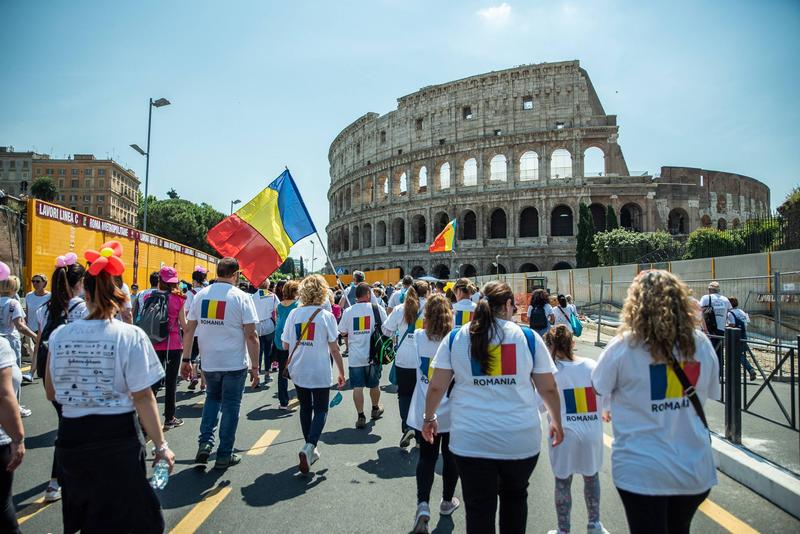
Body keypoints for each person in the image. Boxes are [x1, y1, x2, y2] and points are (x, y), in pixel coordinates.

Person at [44, 242, 175, 533]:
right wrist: (161, 445)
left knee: (87, 520)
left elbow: (51, 393)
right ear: (120, 294)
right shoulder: (130, 336)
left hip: (71, 437)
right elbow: (143, 397)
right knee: (136, 521)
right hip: (117, 437)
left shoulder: (60, 336)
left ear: (85, 292)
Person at [423, 281, 563, 534]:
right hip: (519, 439)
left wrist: (429, 417)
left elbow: (436, 387)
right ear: (509, 305)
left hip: (470, 439)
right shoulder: (528, 337)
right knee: (515, 498)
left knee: (478, 508)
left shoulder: (457, 336)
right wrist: (557, 422)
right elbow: (548, 389)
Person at [592, 270, 719, 534]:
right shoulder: (701, 345)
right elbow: (708, 392)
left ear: (634, 304)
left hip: (641, 469)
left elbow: (598, 388)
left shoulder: (622, 347)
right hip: (693, 468)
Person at [181, 257, 260, 470]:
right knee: (231, 407)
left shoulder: (201, 296)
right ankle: (225, 453)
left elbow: (189, 329)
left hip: (209, 363)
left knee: (212, 400)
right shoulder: (241, 297)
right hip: (234, 363)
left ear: (218, 272)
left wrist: (186, 359)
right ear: (235, 275)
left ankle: (205, 444)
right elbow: (252, 336)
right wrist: (255, 367)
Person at [32, 254, 88, 504]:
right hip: (73, 371)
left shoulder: (46, 307)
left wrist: (35, 368)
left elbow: (39, 338)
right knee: (70, 424)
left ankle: (68, 473)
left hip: (49, 369)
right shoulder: (83, 307)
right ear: (79, 282)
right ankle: (56, 482)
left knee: (69, 420)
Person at [543, 326, 607, 534]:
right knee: (592, 477)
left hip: (563, 433)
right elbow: (605, 399)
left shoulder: (550, 373)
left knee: (562, 482)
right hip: (592, 432)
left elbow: (538, 403)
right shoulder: (591, 366)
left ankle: (564, 530)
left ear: (550, 346)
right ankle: (594, 524)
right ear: (573, 343)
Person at [281, 275, 345, 473]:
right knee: (321, 409)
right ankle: (310, 446)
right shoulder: (327, 317)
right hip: (319, 369)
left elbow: (285, 344)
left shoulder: (293, 314)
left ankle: (310, 447)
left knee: (305, 408)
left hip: (299, 369)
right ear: (323, 292)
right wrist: (342, 372)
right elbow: (335, 349)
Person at [407, 294, 460, 533]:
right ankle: (447, 502)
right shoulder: (457, 340)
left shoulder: (418, 337)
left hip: (426, 408)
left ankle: (422, 504)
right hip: (452, 410)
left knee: (426, 458)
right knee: (450, 458)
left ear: (426, 316)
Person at [384, 280, 429, 448]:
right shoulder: (432, 308)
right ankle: (419, 437)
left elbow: (386, 329)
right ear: (427, 292)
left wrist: (396, 332)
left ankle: (407, 426)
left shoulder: (400, 309)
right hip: (426, 359)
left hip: (404, 359)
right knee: (422, 397)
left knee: (404, 395)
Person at [340, 283, 387, 429]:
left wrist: (351, 333)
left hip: (355, 356)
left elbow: (341, 331)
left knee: (357, 388)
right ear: (367, 294)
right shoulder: (377, 309)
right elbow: (386, 328)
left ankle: (360, 416)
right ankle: (375, 409)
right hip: (373, 355)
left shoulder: (348, 311)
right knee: (374, 384)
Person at [146, 266, 187, 430]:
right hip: (173, 345)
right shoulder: (179, 299)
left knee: (153, 382)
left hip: (153, 344)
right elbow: (184, 324)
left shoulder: (149, 296)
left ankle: (146, 417)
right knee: (171, 382)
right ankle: (169, 418)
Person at [0, 275, 38, 418]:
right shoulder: (13, 303)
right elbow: (20, 326)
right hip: (10, 340)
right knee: (14, 375)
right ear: (14, 287)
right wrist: (34, 336)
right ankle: (15, 406)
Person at [272, 280, 299, 409]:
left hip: (279, 338)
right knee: (297, 368)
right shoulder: (298, 305)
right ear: (295, 291)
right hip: (292, 339)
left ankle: (283, 401)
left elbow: (278, 319)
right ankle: (301, 395)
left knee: (282, 370)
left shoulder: (280, 305)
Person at [699, 281, 731, 378]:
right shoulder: (725, 300)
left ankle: (708, 374)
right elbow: (729, 312)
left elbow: (700, 313)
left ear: (709, 290)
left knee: (707, 352)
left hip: (709, 329)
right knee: (719, 352)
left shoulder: (705, 298)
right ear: (719, 290)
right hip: (721, 329)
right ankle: (719, 374)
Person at [184, 266, 208, 391]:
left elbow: (187, 312)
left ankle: (193, 376)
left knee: (193, 354)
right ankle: (203, 384)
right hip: (206, 328)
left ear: (194, 280)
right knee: (204, 355)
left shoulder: (190, 293)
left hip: (194, 329)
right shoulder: (208, 291)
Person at [23, 273, 50, 380]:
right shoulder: (29, 295)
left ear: (44, 283)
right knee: (35, 351)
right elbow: (28, 312)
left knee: (38, 350)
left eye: (38, 281)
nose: (35, 283)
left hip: (44, 328)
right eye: (33, 281)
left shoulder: (50, 296)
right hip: (31, 328)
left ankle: (31, 373)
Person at [252, 280, 279, 385]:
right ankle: (267, 374)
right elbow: (277, 309)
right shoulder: (272, 296)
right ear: (268, 285)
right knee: (268, 351)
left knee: (258, 351)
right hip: (268, 325)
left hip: (256, 325)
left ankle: (257, 375)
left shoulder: (252, 296)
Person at [727, 297, 757, 381]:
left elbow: (732, 325)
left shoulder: (730, 313)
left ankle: (750, 370)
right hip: (744, 336)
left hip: (735, 337)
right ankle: (735, 375)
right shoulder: (742, 312)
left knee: (738, 355)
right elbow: (746, 322)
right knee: (738, 355)